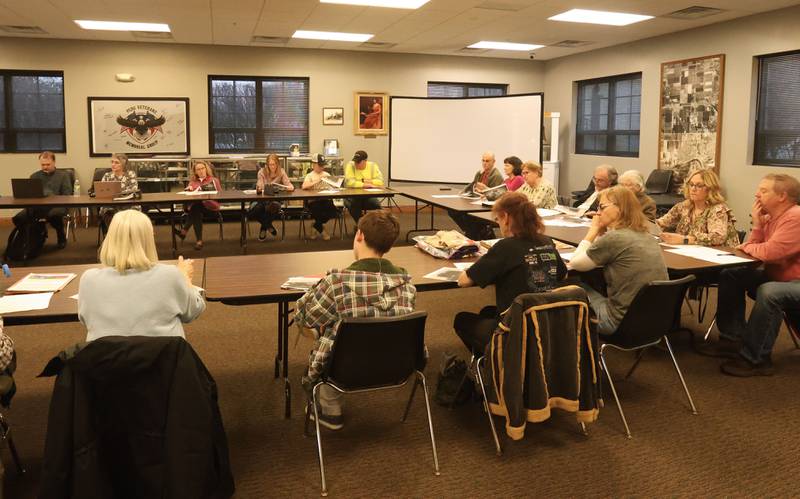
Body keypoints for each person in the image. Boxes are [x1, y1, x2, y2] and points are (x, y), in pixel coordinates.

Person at [295, 211, 416, 430]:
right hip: (395, 365)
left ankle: (330, 409)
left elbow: (304, 316)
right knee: (347, 326)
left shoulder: (336, 282)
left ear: (359, 235)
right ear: (389, 244)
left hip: (343, 368)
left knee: (328, 330)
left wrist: (316, 291)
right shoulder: (407, 284)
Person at [700, 174, 800, 376]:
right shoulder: (771, 217)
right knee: (732, 273)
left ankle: (756, 358)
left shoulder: (795, 217)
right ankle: (732, 339)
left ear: (782, 196)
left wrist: (749, 245)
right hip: (781, 276)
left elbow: (770, 253)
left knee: (770, 292)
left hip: (794, 281)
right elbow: (754, 250)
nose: (757, 194)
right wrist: (757, 225)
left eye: (764, 191)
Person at [453, 192, 568, 354]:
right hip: (544, 323)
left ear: (506, 217)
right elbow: (563, 275)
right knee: (487, 311)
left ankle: (494, 364)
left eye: (497, 220)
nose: (498, 225)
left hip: (513, 329)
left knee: (461, 320)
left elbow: (463, 281)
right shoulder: (546, 241)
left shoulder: (504, 247)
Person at [78, 210, 206, 341]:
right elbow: (193, 310)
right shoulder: (170, 275)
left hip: (105, 360)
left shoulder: (89, 279)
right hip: (164, 359)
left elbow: (85, 320)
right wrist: (185, 278)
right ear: (149, 239)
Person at [569, 185, 668, 335]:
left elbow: (575, 263)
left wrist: (593, 231)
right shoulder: (647, 236)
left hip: (619, 324)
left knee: (572, 284)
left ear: (619, 208)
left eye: (602, 207)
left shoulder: (615, 238)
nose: (598, 212)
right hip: (656, 322)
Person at [657, 168, 739, 247]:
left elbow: (717, 237)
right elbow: (661, 223)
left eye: (699, 186)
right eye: (691, 185)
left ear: (710, 189)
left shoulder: (718, 209)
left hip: (721, 255)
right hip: (691, 253)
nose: (693, 189)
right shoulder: (683, 206)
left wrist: (685, 239)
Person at [12, 151, 73, 249]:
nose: (45, 167)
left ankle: (61, 236)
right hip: (38, 205)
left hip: (57, 205)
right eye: (43, 165)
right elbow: (30, 195)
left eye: (48, 164)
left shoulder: (63, 175)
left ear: (54, 162)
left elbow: (67, 194)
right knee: (18, 218)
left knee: (54, 215)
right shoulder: (35, 176)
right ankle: (35, 235)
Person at [448, 151, 504, 240]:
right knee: (453, 211)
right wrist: (464, 191)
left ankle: (473, 233)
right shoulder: (480, 173)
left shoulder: (496, 175)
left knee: (470, 216)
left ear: (493, 162)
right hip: (477, 201)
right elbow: (473, 185)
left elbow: (496, 195)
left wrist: (485, 189)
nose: (484, 163)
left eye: (487, 161)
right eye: (483, 161)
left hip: (487, 206)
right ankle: (473, 231)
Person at [174, 160, 222, 250]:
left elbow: (220, 196)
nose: (201, 171)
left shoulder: (214, 180)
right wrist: (188, 191)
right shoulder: (192, 182)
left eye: (202, 168)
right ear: (195, 172)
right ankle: (198, 241)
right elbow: (188, 199)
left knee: (196, 208)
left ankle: (184, 231)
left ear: (206, 169)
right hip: (197, 209)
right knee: (197, 208)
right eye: (198, 169)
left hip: (211, 208)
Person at [249, 153, 294, 241]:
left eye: (274, 164)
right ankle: (268, 226)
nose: (272, 166)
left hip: (274, 200)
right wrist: (262, 186)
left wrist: (290, 187)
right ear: (267, 164)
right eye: (270, 164)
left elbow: (288, 184)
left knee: (274, 206)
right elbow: (260, 185)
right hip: (262, 200)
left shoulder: (281, 171)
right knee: (255, 210)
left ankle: (263, 228)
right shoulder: (262, 172)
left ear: (277, 164)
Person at [98, 153, 139, 235]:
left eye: (116, 162)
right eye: (112, 162)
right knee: (107, 211)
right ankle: (113, 237)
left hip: (128, 205)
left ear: (123, 165)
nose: (113, 164)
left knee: (131, 213)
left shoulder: (130, 174)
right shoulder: (107, 176)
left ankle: (128, 238)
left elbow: (133, 190)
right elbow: (102, 192)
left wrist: (117, 194)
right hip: (111, 205)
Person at [302, 153, 338, 240]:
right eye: (319, 165)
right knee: (317, 210)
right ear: (314, 164)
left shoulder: (326, 174)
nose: (322, 167)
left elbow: (332, 186)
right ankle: (322, 230)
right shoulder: (310, 175)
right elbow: (304, 186)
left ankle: (315, 225)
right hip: (313, 201)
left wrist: (335, 185)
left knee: (333, 211)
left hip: (326, 199)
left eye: (323, 165)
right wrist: (317, 180)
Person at [343, 150, 384, 223]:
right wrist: (367, 184)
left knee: (377, 205)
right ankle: (361, 226)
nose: (356, 164)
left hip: (368, 196)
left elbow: (380, 182)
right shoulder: (350, 165)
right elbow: (349, 182)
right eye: (355, 161)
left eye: (358, 162)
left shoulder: (372, 166)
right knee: (354, 205)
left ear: (365, 161)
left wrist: (364, 181)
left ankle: (376, 227)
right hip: (352, 196)